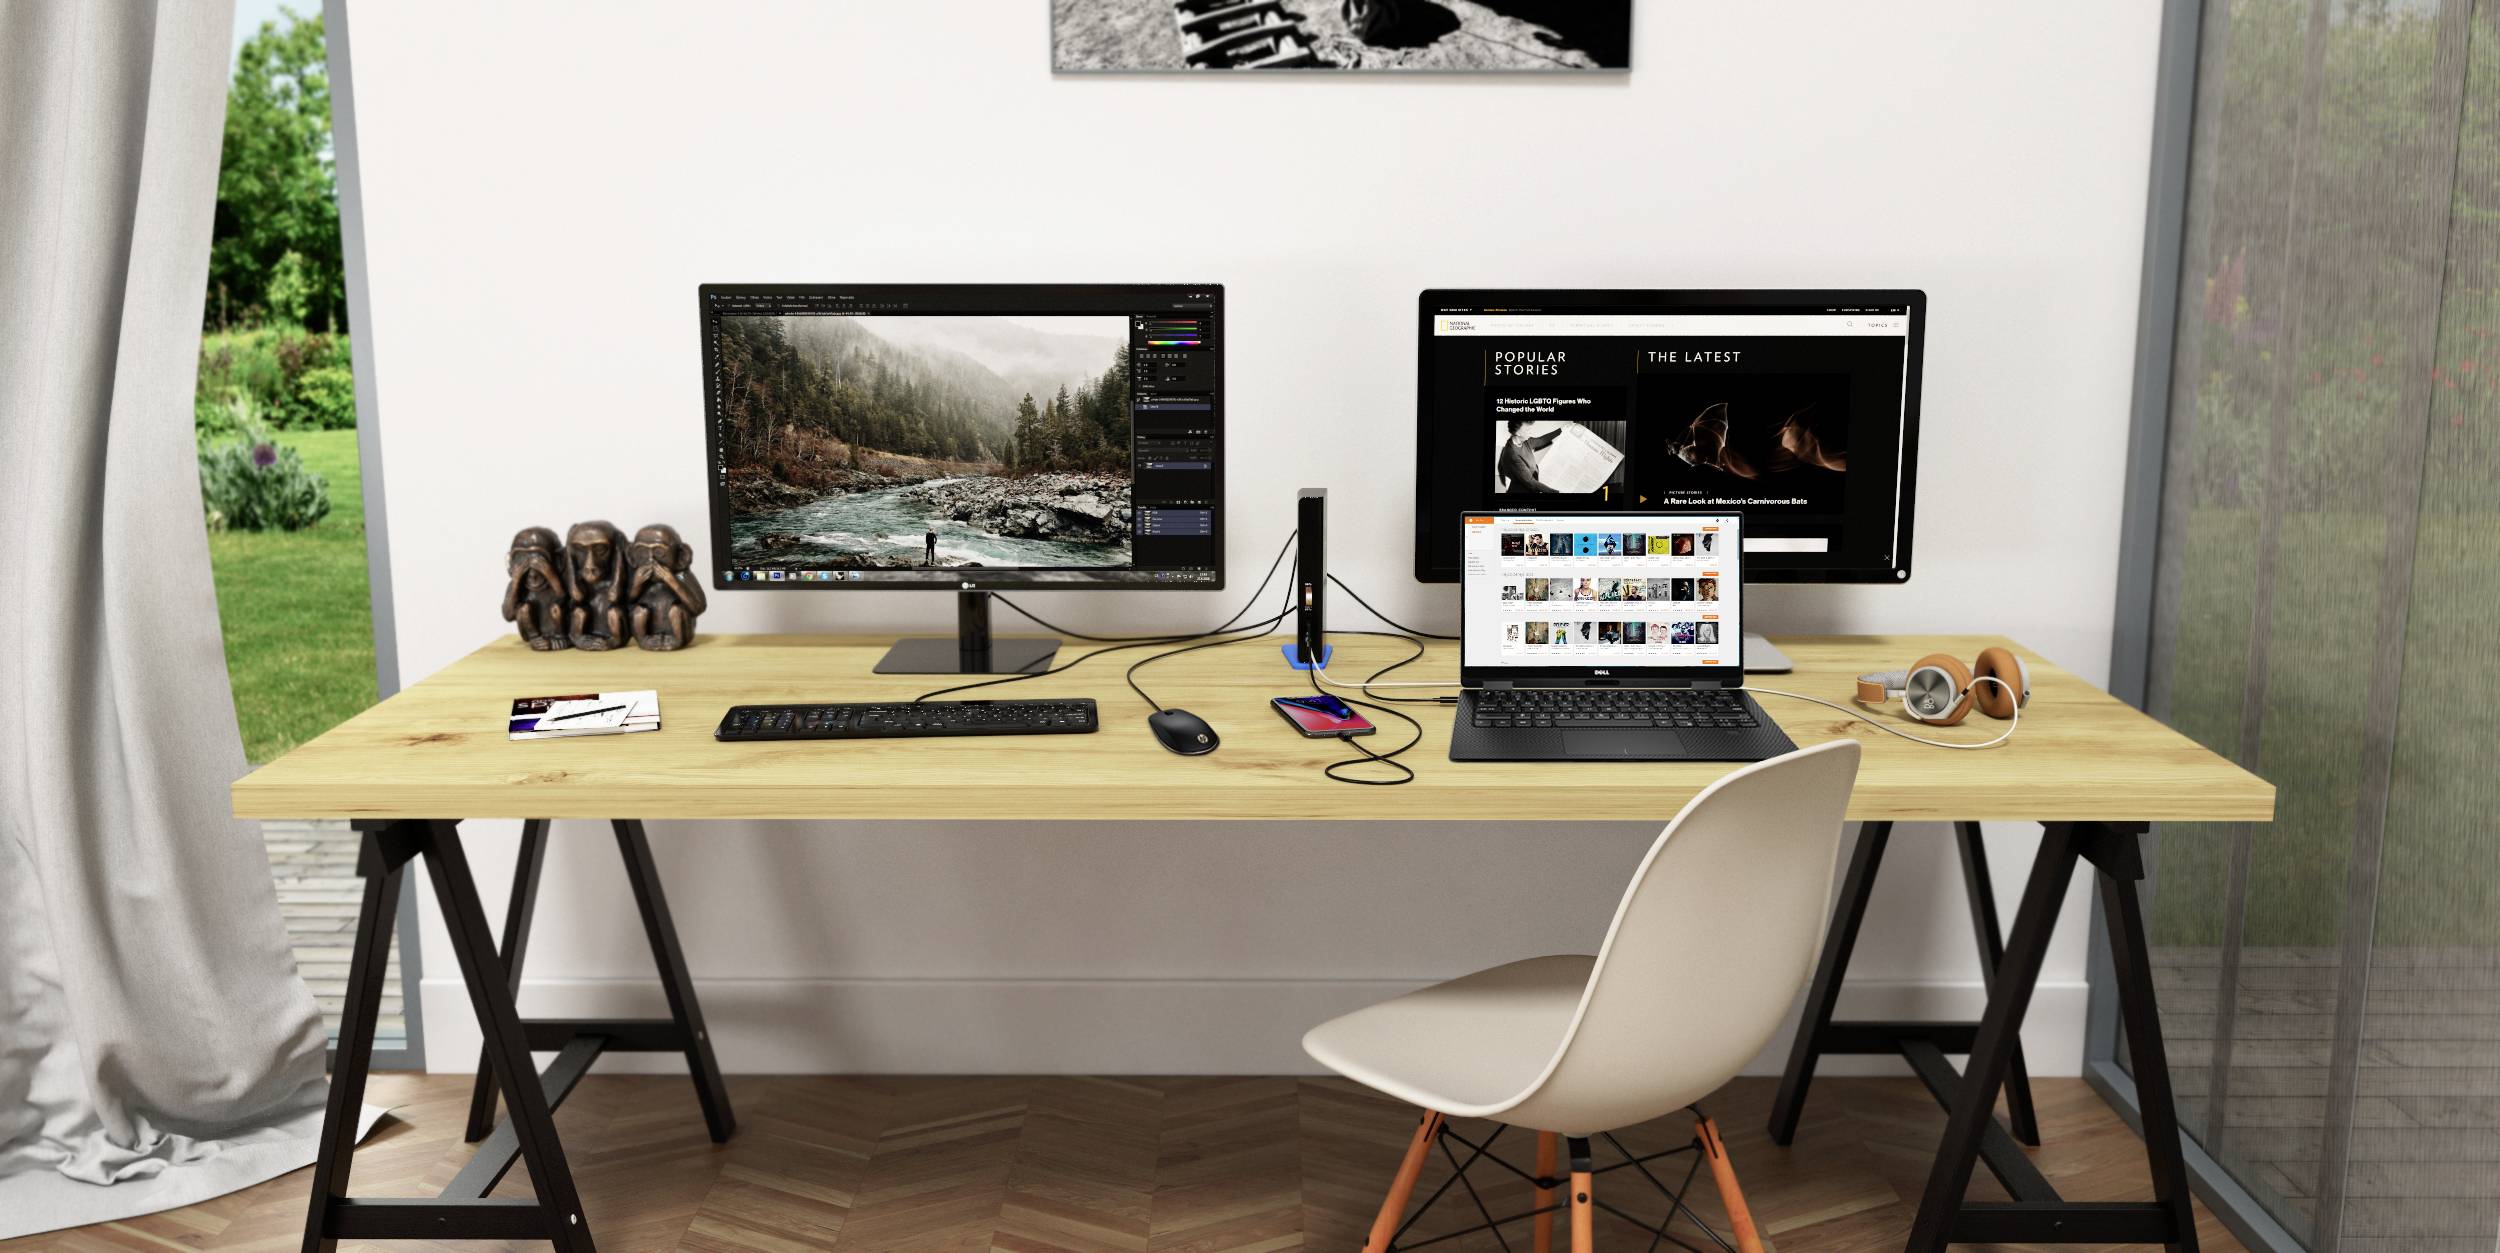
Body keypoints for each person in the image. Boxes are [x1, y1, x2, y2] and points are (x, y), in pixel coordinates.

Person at [1498, 419, 1561, 493]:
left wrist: (1561, 430)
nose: (1531, 432)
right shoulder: (1512, 454)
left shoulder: (1524, 441)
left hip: (1531, 483)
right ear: (1518, 433)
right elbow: (1531, 482)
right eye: (1527, 430)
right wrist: (1556, 492)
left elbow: (1541, 440)